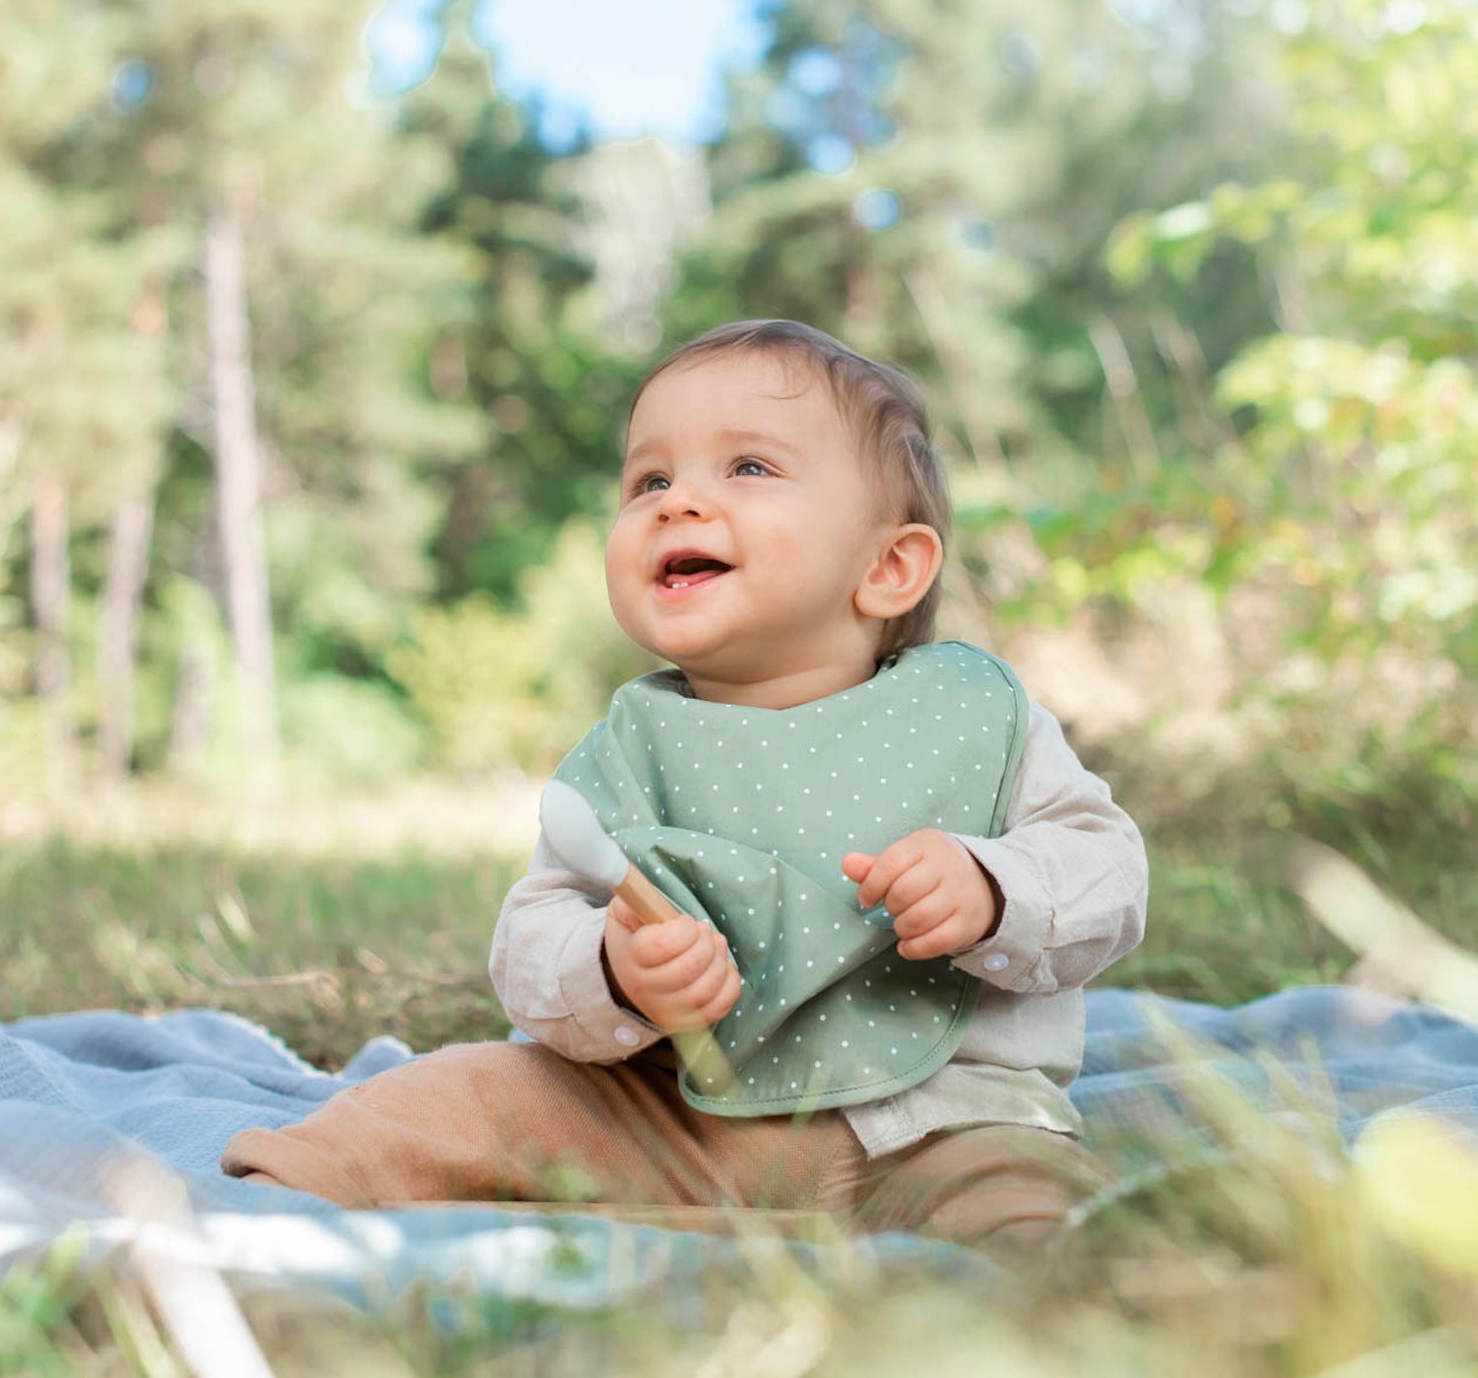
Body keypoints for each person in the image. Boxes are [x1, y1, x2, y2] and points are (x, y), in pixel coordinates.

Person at [222, 319, 1147, 1258]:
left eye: (748, 468)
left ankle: (1042, 1283)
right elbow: (531, 942)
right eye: (649, 480)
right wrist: (614, 972)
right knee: (461, 1092)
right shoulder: (635, 748)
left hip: (939, 1122)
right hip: (676, 1121)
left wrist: (993, 889)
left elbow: (1105, 875)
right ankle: (266, 1215)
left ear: (888, 568)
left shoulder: (968, 719)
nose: (679, 503)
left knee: (1040, 1207)